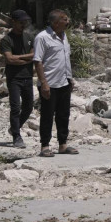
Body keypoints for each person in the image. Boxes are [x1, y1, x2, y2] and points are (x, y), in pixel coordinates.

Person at [33, 9, 78, 158]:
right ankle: (44, 146)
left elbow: (65, 59)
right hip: (49, 83)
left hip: (64, 81)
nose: (68, 21)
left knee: (64, 114)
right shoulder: (42, 37)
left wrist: (70, 79)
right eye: (65, 19)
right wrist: (44, 83)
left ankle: (63, 145)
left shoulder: (64, 36)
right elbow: (37, 61)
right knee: (47, 115)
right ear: (55, 22)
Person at [1, 10, 35, 148]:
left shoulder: (29, 37)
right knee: (15, 107)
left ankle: (15, 127)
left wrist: (18, 59)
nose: (24, 24)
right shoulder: (6, 39)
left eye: (25, 22)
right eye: (21, 22)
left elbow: (34, 55)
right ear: (13, 22)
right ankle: (16, 136)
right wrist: (25, 58)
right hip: (14, 78)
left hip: (27, 76)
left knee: (28, 106)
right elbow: (9, 59)